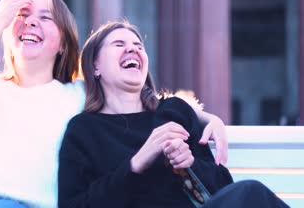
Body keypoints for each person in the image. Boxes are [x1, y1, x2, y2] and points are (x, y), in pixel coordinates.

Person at [0, 0, 228, 208]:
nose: (31, 23)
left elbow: (142, 103)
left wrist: (205, 118)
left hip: (18, 204)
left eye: (45, 18)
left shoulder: (78, 96)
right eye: (23, 17)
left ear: (63, 43)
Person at [58, 21, 289, 208]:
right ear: (95, 66)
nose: (133, 49)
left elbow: (224, 190)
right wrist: (135, 164)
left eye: (139, 46)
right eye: (118, 44)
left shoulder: (172, 111)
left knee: (250, 192)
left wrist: (190, 166)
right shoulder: (84, 129)